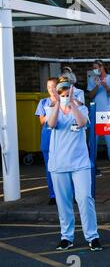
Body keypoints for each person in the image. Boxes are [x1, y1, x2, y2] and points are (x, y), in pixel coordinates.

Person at [46, 77, 102, 251]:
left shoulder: (81, 108)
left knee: (85, 198)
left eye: (66, 93)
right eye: (61, 93)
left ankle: (92, 236)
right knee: (63, 202)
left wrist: (72, 104)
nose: (64, 95)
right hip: (58, 164)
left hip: (80, 163)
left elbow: (82, 123)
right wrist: (57, 103)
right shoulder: (51, 108)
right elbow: (52, 123)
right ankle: (66, 236)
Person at [87, 60, 110, 174]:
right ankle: (92, 164)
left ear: (102, 67)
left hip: (108, 114)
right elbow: (90, 96)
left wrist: (105, 85)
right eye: (94, 68)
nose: (96, 70)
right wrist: (97, 86)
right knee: (93, 141)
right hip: (95, 114)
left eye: (97, 67)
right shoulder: (92, 80)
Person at [34, 77, 58, 206]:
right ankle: (53, 195)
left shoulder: (64, 101)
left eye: (53, 86)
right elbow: (41, 121)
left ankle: (70, 195)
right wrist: (51, 110)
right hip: (47, 139)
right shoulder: (43, 102)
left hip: (61, 140)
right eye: (48, 87)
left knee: (65, 168)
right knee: (50, 169)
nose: (50, 90)